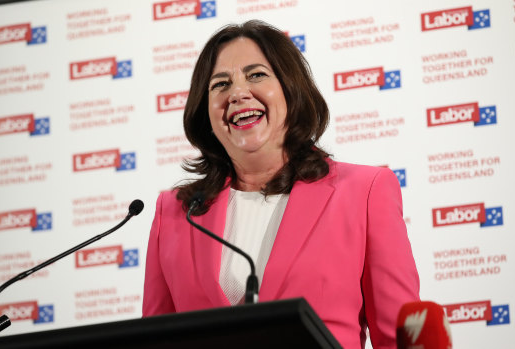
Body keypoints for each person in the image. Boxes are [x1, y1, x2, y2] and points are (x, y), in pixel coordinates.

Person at [143, 20, 420, 348]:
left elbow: (401, 340)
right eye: (220, 84)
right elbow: (155, 341)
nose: (238, 93)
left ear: (290, 89)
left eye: (256, 74)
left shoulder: (364, 192)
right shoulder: (175, 212)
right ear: (206, 114)